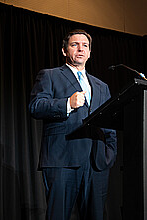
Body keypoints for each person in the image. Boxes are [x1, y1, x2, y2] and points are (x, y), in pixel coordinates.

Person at [29, 29, 117, 220]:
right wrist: (67, 104)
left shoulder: (102, 86)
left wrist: (109, 152)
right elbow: (35, 106)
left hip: (97, 163)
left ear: (90, 52)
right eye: (74, 45)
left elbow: (109, 124)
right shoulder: (50, 76)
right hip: (62, 159)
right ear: (64, 50)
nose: (80, 49)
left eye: (85, 46)